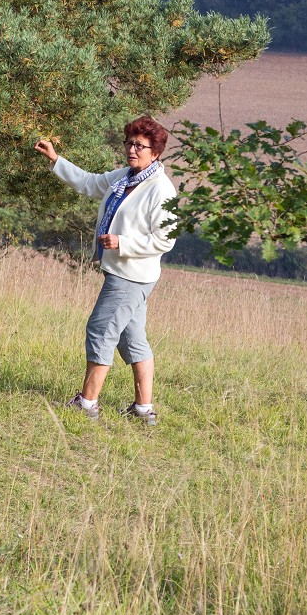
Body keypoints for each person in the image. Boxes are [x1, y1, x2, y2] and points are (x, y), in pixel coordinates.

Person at [34, 116, 177, 424]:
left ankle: (86, 404)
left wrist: (122, 242)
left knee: (100, 330)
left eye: (140, 145)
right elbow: (89, 182)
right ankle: (143, 411)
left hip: (131, 276)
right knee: (132, 339)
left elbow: (165, 239)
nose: (132, 149)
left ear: (156, 151)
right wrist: (56, 159)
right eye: (129, 142)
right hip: (122, 273)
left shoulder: (161, 190)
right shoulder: (124, 177)